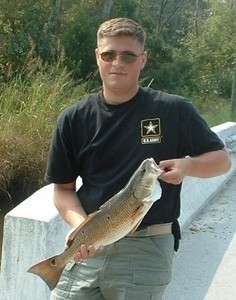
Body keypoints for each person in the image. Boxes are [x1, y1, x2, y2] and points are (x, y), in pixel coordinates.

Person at [45, 17, 231, 300]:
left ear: (142, 60)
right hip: (88, 248)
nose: (117, 62)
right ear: (97, 57)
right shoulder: (73, 119)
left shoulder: (173, 109)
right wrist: (82, 227)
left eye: (128, 55)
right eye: (108, 54)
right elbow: (63, 190)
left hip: (147, 247)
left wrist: (188, 165)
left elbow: (222, 160)